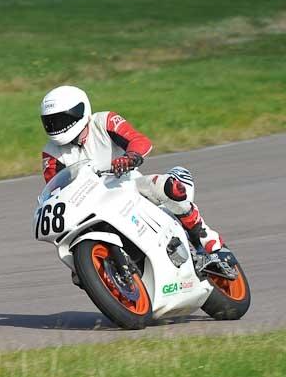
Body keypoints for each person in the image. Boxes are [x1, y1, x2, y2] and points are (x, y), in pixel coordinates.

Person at [39, 85, 224, 261]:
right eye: (51, 122)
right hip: (91, 203)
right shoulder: (51, 152)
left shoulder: (104, 121)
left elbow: (139, 140)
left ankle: (204, 237)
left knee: (167, 186)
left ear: (80, 112)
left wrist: (130, 157)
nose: (56, 126)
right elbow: (56, 187)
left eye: (61, 120)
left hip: (127, 185)